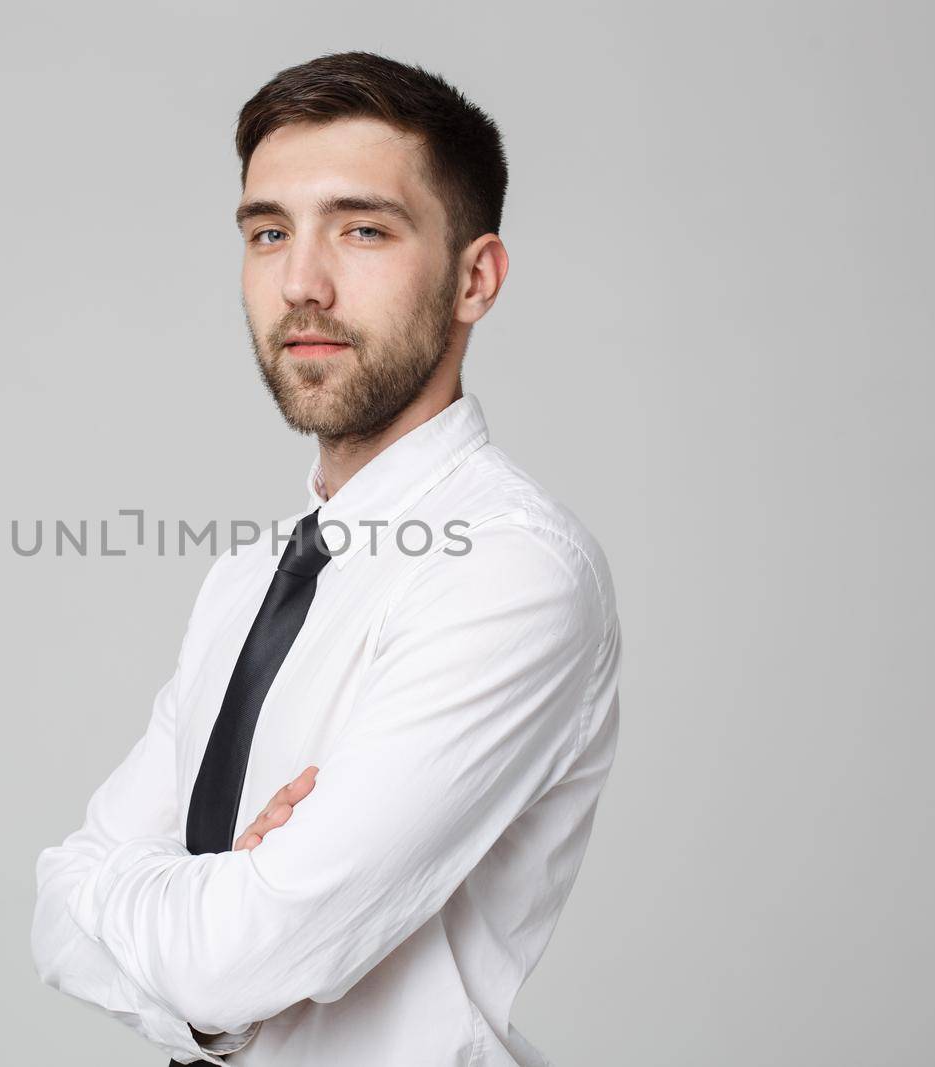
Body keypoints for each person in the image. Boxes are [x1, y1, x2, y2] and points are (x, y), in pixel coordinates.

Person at [30, 51, 622, 1065]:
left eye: (362, 229)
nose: (302, 283)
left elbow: (231, 954)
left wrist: (174, 925)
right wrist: (205, 957)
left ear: (473, 278)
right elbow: (55, 908)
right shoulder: (246, 578)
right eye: (268, 232)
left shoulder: (511, 573)